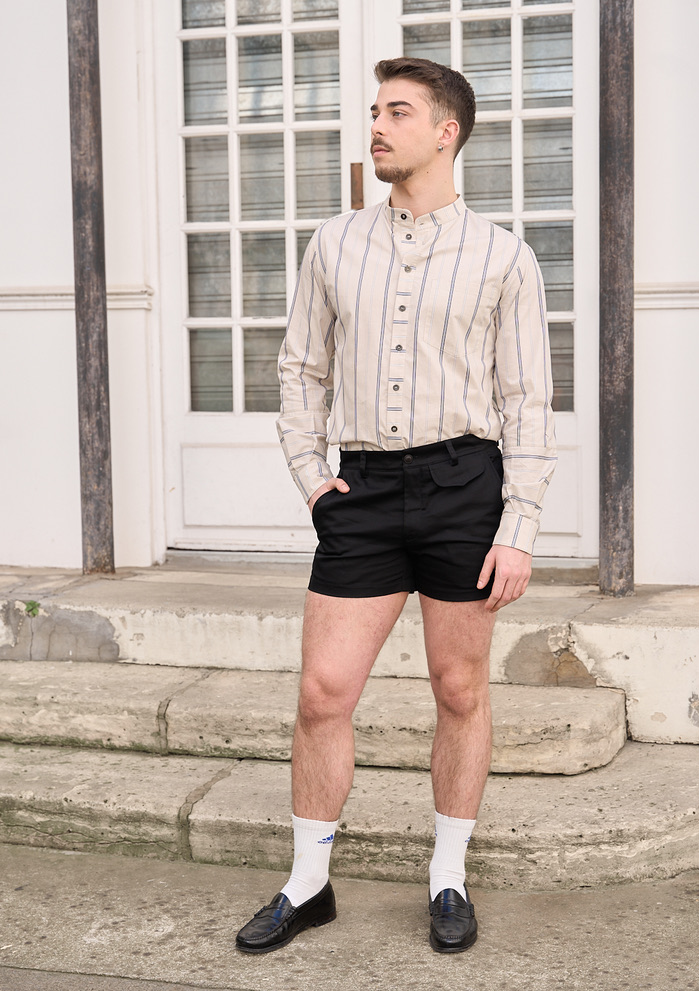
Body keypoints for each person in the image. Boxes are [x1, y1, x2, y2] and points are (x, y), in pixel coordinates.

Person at [236, 56, 556, 956]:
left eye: (397, 112)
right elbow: (301, 368)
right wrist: (311, 474)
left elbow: (528, 399)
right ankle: (308, 883)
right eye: (374, 111)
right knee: (322, 692)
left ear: (446, 132)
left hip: (465, 487)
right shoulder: (334, 243)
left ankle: (447, 875)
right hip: (363, 490)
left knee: (459, 688)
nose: (375, 126)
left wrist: (519, 525)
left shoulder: (503, 256)